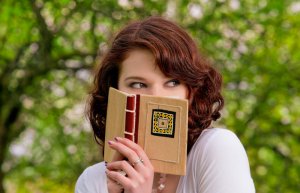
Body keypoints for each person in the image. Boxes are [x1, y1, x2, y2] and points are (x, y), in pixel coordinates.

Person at [75, 16, 255, 193]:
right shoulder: (92, 182)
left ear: (191, 91)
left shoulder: (218, 150)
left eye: (173, 83)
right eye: (138, 85)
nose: (156, 96)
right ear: (114, 91)